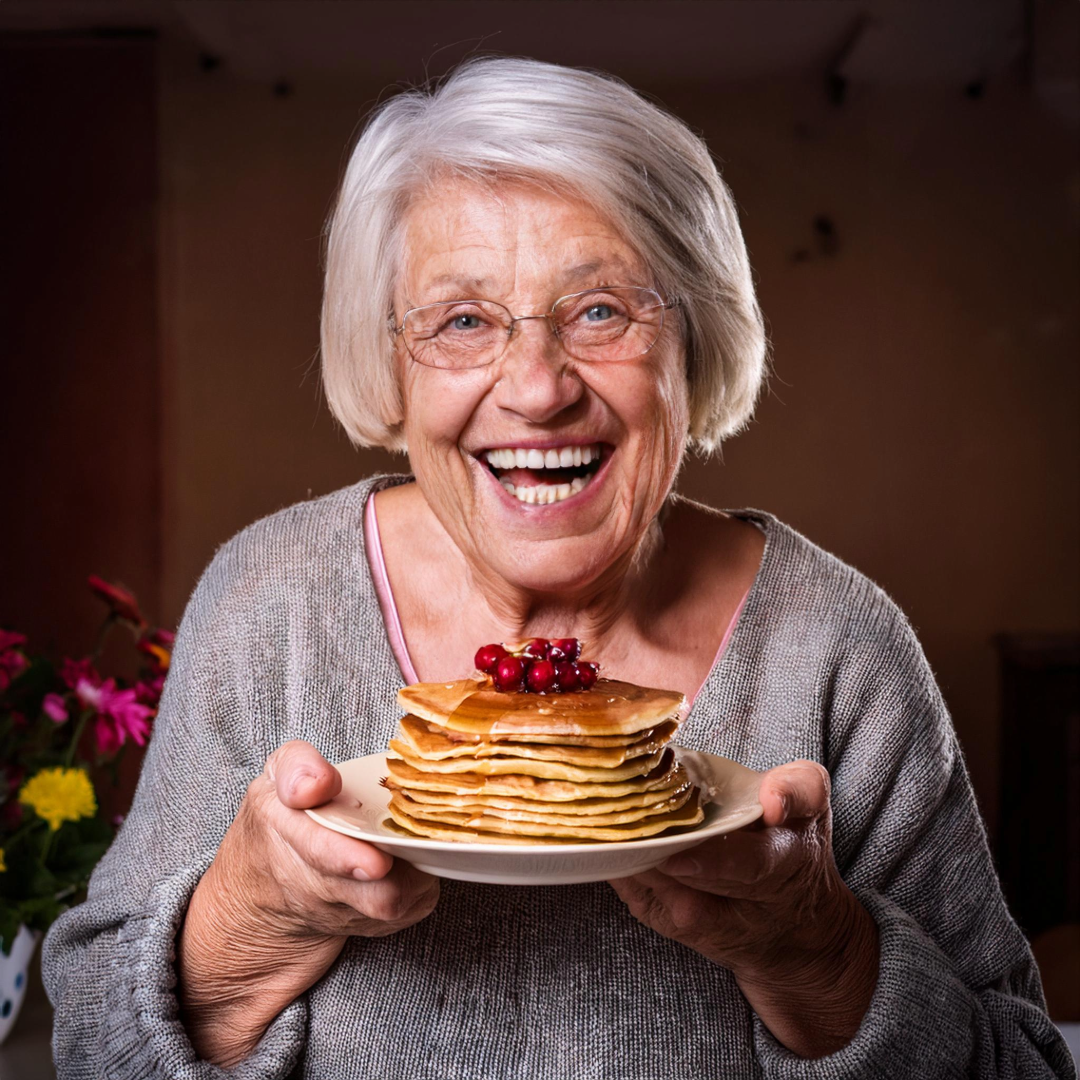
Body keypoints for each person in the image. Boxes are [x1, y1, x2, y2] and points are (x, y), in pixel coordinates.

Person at [43, 57, 1075, 1080]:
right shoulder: (270, 605)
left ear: (696, 340)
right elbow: (89, 1045)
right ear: (390, 359)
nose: (537, 390)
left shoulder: (835, 648)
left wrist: (823, 954)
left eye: (600, 310)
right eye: (462, 320)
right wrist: (244, 922)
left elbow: (1025, 1069)